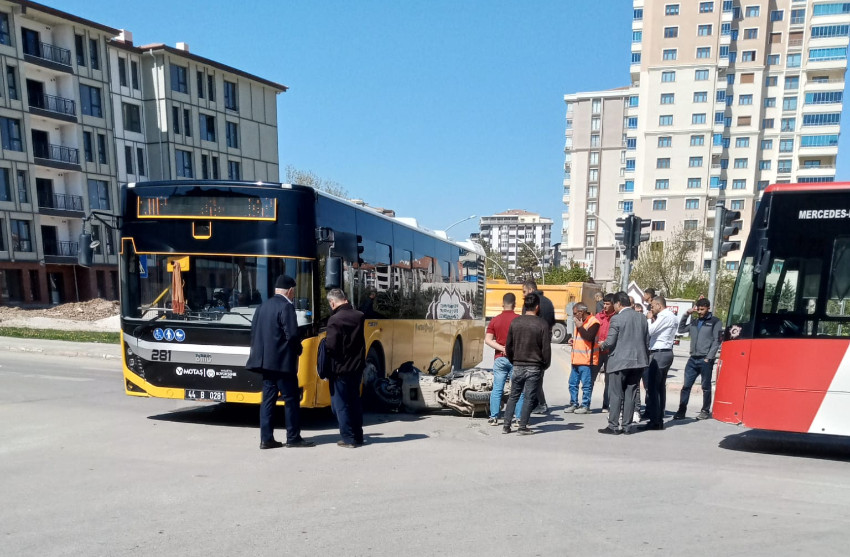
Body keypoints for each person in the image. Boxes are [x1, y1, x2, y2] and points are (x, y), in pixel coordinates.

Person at [246, 275, 314, 449]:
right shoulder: (286, 307)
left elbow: (254, 332)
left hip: (265, 363)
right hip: (283, 364)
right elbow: (291, 334)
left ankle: (266, 439)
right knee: (291, 399)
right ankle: (293, 437)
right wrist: (298, 349)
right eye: (294, 292)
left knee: (267, 400)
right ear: (290, 290)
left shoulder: (262, 306)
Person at [597, 291, 649, 435]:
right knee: (631, 393)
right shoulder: (642, 318)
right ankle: (627, 426)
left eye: (614, 304)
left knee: (616, 394)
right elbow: (646, 341)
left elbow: (610, 341)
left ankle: (613, 426)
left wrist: (602, 344)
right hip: (638, 362)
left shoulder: (617, 319)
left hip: (619, 362)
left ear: (618, 304)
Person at [503, 293, 551, 435]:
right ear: (537, 307)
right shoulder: (542, 324)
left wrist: (513, 360)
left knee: (513, 396)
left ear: (525, 306)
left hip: (517, 365)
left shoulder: (515, 322)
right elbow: (546, 349)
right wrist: (545, 364)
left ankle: (506, 426)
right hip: (534, 366)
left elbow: (508, 346)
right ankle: (522, 426)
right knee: (529, 397)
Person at [325, 288, 366, 448]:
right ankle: (358, 436)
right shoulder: (359, 316)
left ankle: (348, 439)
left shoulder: (335, 320)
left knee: (340, 405)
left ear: (333, 302)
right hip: (356, 368)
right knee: (355, 401)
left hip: (340, 369)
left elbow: (332, 346)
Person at [674, 298, 723, 420]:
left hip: (705, 359)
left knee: (705, 387)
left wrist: (709, 357)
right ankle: (681, 410)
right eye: (698, 309)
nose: (700, 312)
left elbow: (717, 341)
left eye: (702, 309)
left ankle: (705, 410)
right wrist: (686, 314)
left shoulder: (715, 321)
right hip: (693, 359)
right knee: (686, 386)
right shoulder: (695, 322)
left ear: (708, 308)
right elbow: (681, 329)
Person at [485, 292, 523, 426]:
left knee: (497, 389)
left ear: (502, 304)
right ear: (515, 304)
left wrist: (502, 348)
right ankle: (518, 419)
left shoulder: (495, 320)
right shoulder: (519, 320)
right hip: (516, 359)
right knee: (517, 389)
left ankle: (494, 417)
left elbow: (488, 340)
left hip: (500, 358)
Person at [641, 295, 678, 430]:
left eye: (652, 306)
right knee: (660, 388)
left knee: (653, 388)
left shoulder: (664, 316)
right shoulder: (672, 316)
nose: (651, 309)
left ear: (658, 305)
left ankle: (655, 421)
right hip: (665, 352)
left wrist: (650, 320)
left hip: (659, 354)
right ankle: (658, 418)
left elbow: (650, 331)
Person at [522, 280, 554, 414]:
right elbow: (552, 321)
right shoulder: (548, 302)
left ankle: (540, 403)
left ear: (530, 290)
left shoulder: (530, 304)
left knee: (532, 376)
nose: (523, 295)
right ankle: (536, 403)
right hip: (545, 341)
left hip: (532, 343)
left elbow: (525, 322)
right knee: (538, 374)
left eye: (524, 291)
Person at [565, 303, 600, 414]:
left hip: (586, 360)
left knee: (586, 385)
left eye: (575, 313)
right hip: (576, 359)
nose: (574, 316)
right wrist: (573, 341)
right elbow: (581, 338)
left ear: (581, 312)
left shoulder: (593, 322)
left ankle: (585, 405)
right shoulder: (579, 323)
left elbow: (589, 337)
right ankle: (574, 403)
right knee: (572, 383)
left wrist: (580, 326)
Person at [593, 293, 615, 412]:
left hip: (610, 353)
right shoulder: (598, 316)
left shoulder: (616, 318)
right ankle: (586, 403)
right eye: (604, 304)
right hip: (598, 352)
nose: (605, 306)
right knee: (591, 378)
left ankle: (606, 404)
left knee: (609, 380)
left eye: (607, 304)